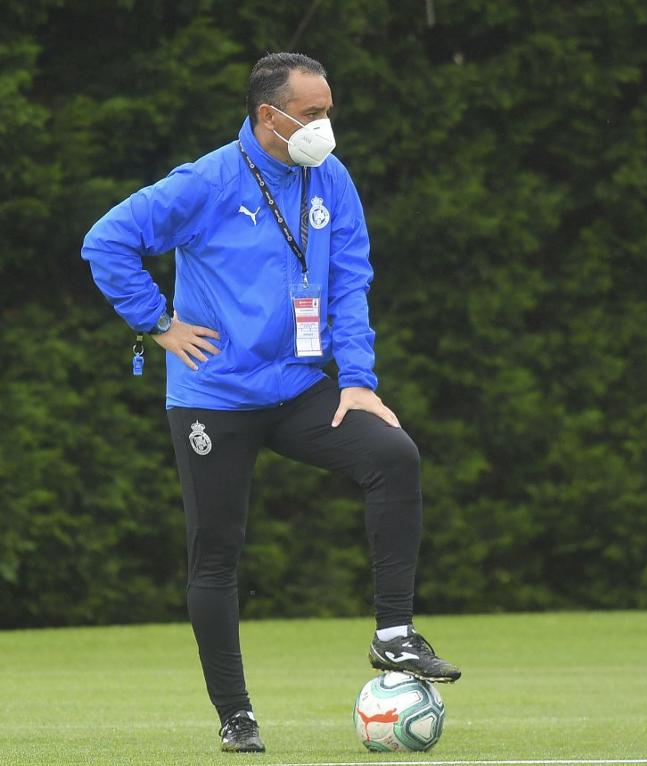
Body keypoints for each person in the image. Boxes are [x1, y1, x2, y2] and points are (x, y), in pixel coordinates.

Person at [81, 52, 459, 754]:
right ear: (268, 115)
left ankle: (394, 636)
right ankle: (236, 716)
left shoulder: (330, 177)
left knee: (394, 457)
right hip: (212, 399)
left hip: (296, 388)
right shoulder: (208, 181)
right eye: (312, 114)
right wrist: (157, 323)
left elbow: (350, 279)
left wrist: (358, 379)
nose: (325, 127)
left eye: (329, 111)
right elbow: (107, 240)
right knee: (217, 553)